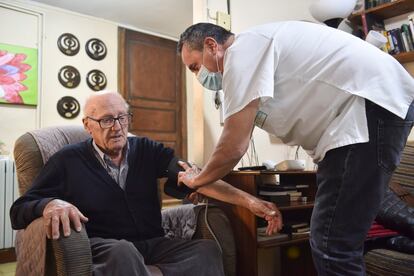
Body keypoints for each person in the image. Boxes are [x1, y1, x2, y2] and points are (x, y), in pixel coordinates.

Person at [177, 21, 414, 275]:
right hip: (363, 116)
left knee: (331, 244)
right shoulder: (252, 55)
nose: (198, 77)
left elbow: (233, 147)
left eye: (195, 67)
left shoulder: (241, 53)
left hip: (366, 109)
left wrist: (197, 179)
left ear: (212, 45)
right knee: (352, 224)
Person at [10, 91, 281, 276]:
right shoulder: (66, 160)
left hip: (152, 242)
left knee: (207, 250)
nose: (116, 126)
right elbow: (20, 209)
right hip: (105, 245)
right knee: (123, 253)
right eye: (106, 119)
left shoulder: (146, 150)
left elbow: (197, 178)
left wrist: (252, 201)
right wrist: (49, 204)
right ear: (87, 125)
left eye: (122, 117)